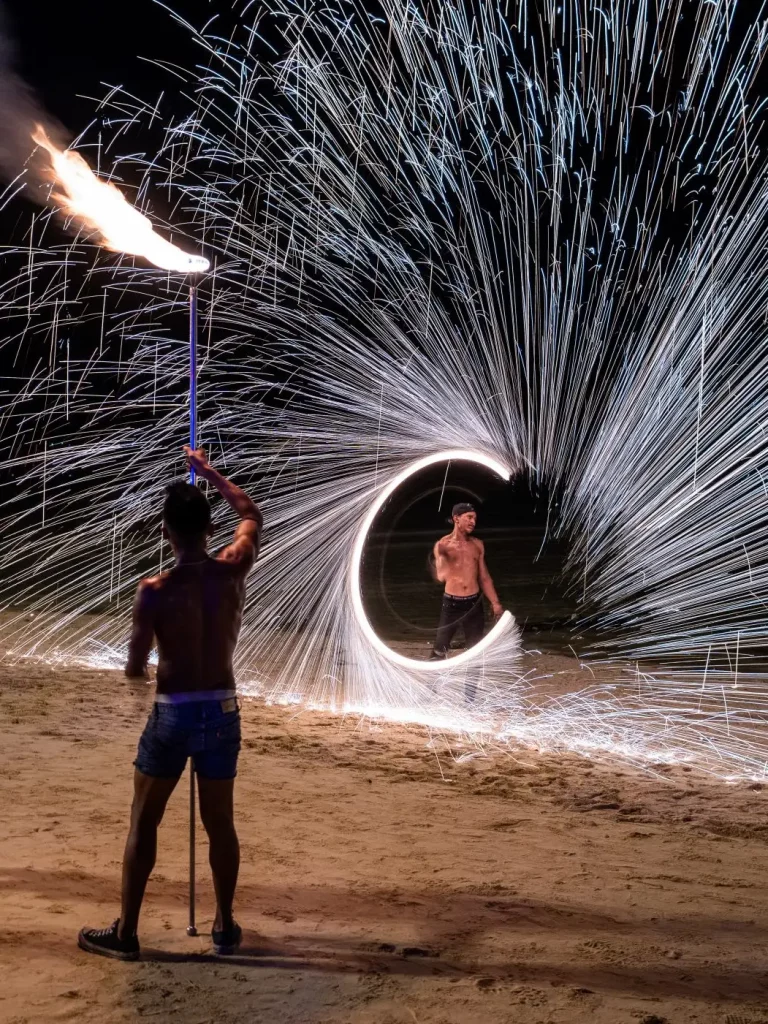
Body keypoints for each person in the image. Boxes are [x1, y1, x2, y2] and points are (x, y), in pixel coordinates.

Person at [78, 446, 262, 961]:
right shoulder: (232, 569)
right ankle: (224, 925)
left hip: (174, 713)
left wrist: (145, 667)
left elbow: (136, 666)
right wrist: (211, 473)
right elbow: (250, 514)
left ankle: (127, 933)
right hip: (223, 710)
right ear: (209, 528)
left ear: (165, 532)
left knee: (144, 820)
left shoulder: (154, 590)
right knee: (220, 823)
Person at [430, 503, 503, 669]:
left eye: (475, 518)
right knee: (440, 650)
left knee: (475, 652)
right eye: (469, 517)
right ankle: (430, 691)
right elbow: (441, 577)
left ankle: (470, 695)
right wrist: (441, 558)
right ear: (456, 519)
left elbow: (484, 577)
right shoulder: (443, 545)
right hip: (451, 605)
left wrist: (495, 603)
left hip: (473, 604)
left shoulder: (477, 545)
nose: (473, 522)